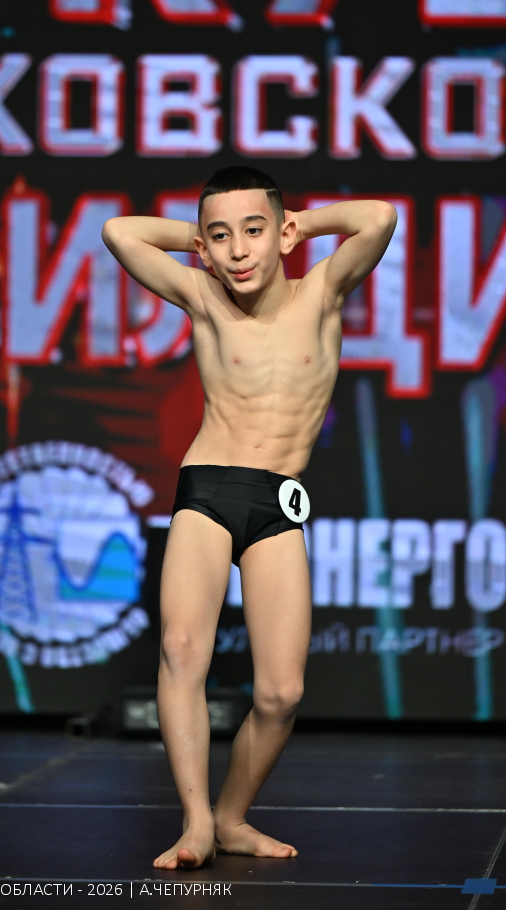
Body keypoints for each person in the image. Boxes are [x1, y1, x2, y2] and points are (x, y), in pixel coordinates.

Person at [102, 166, 396, 870]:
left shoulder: (322, 292)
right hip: (207, 491)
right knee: (181, 650)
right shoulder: (204, 295)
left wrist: (300, 224)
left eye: (255, 231)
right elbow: (119, 232)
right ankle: (197, 822)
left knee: (282, 691)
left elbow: (379, 217)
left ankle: (232, 815)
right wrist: (200, 241)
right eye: (222, 237)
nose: (238, 251)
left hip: (277, 504)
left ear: (283, 233)